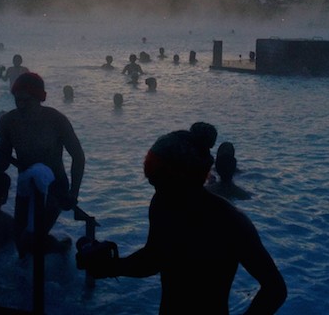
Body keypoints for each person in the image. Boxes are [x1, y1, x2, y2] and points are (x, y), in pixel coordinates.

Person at [79, 129, 287, 314]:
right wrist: (114, 267)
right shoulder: (163, 203)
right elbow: (154, 258)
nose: (155, 188)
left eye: (160, 181)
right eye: (153, 182)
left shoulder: (229, 222)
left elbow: (275, 289)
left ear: (186, 178)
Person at [0, 72, 85, 255]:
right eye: (18, 101)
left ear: (39, 99)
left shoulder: (56, 120)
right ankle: (57, 250)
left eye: (27, 101)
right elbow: (5, 160)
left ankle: (58, 250)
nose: (22, 105)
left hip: (55, 187)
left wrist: (73, 193)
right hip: (26, 183)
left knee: (33, 237)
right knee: (21, 242)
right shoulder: (9, 121)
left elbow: (78, 156)